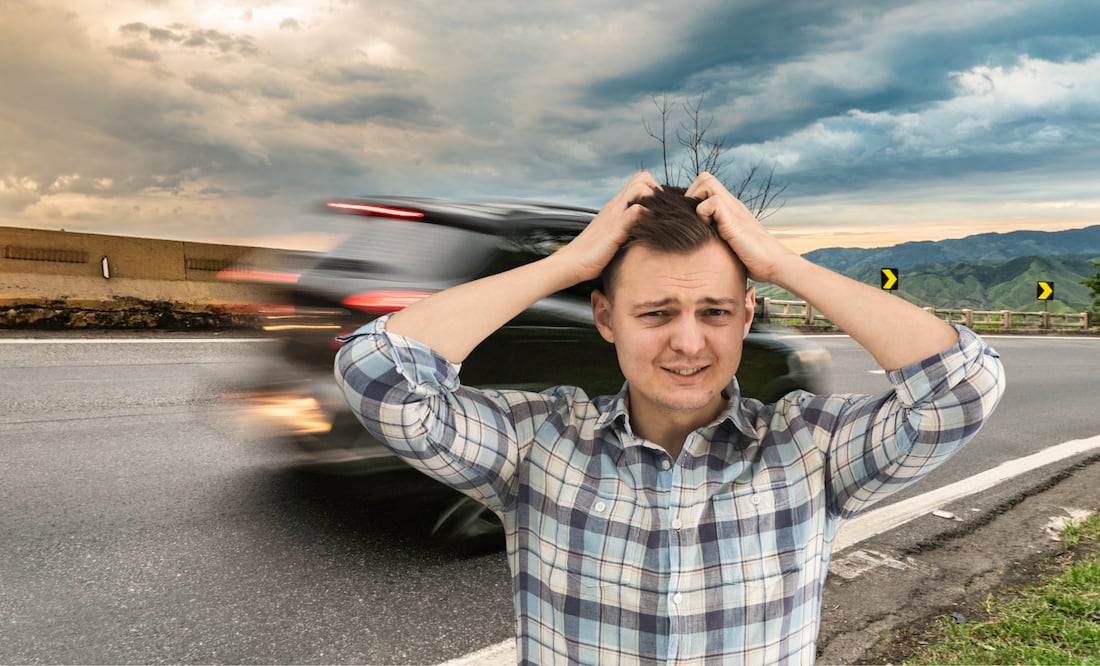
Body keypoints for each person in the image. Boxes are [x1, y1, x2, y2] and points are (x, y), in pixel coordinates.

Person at [334, 172, 1005, 664]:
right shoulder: (536, 441)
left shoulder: (811, 446)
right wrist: (565, 264)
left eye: (715, 312)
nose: (688, 342)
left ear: (746, 316)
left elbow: (963, 387)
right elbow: (378, 373)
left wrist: (783, 265)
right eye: (656, 313)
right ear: (605, 318)